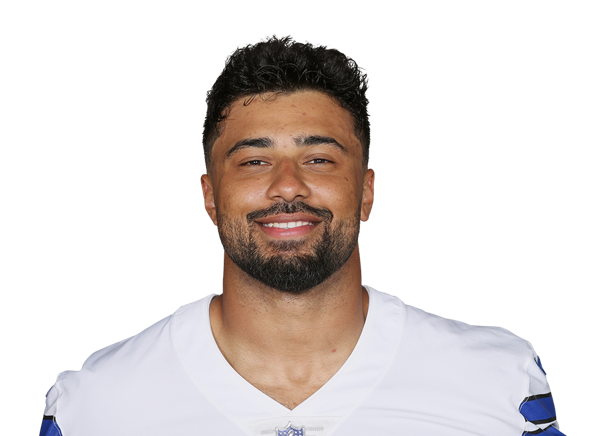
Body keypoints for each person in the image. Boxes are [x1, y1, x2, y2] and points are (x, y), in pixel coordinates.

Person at [39, 33, 565, 436]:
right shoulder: (96, 406)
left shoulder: (498, 384)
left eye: (318, 159)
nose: (287, 185)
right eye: (254, 161)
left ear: (366, 191)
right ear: (210, 196)